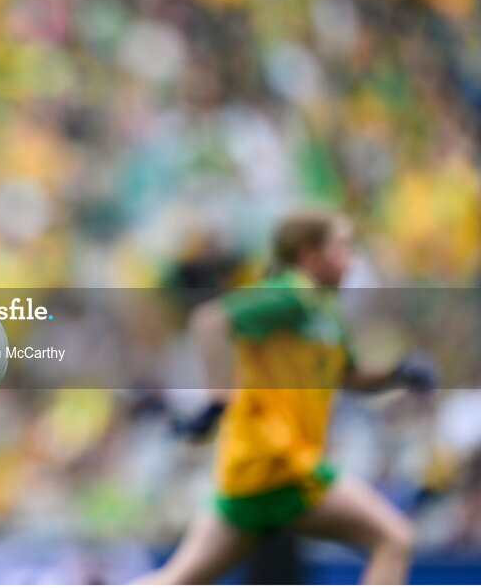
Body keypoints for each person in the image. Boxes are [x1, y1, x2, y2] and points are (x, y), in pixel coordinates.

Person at [137, 210, 438, 585]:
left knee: (177, 579)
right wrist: (218, 398)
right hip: (282, 461)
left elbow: (348, 376)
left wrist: (398, 373)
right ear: (311, 256)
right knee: (393, 539)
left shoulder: (323, 309)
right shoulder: (290, 293)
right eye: (342, 247)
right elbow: (210, 321)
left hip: (253, 470)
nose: (352, 258)